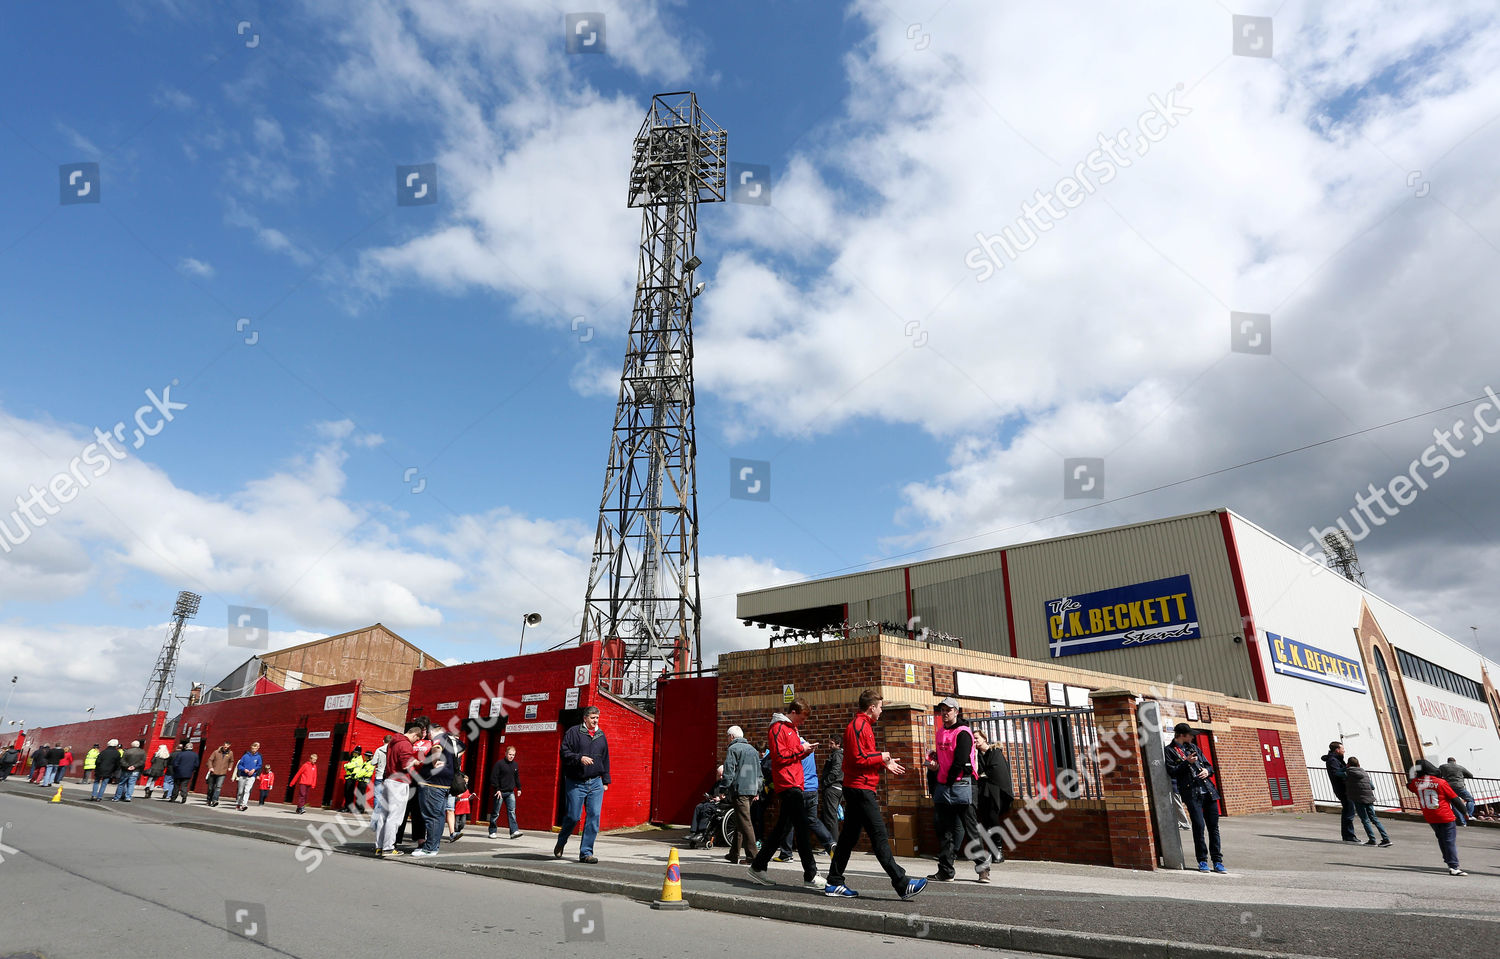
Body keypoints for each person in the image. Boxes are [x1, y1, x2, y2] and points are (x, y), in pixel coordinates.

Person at [823, 690, 926, 901]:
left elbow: (863, 760)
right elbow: (858, 759)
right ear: (871, 708)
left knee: (848, 839)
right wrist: (882, 756)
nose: (881, 711)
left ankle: (834, 882)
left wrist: (883, 763)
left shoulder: (863, 726)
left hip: (859, 787)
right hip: (860, 789)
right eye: (880, 707)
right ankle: (902, 883)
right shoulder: (858, 727)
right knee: (879, 836)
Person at [748, 699, 824, 889]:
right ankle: (810, 874)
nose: (803, 721)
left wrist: (804, 751)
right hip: (788, 783)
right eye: (802, 717)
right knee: (801, 827)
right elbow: (780, 756)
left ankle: (758, 865)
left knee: (783, 828)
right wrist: (802, 749)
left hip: (793, 782)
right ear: (794, 711)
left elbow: (788, 755)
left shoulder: (789, 729)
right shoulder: (778, 729)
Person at [926, 698, 992, 882]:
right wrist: (933, 764)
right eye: (942, 710)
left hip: (962, 784)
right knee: (944, 830)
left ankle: (983, 869)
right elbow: (942, 758)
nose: (945, 713)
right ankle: (946, 871)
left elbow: (961, 761)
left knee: (971, 830)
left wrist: (946, 781)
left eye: (948, 710)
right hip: (944, 785)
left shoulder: (964, 732)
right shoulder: (940, 733)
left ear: (956, 711)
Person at [555, 706, 610, 863]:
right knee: (573, 816)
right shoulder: (573, 732)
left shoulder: (601, 735)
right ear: (585, 718)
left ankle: (586, 853)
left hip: (596, 783)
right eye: (592, 718)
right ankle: (561, 841)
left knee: (594, 817)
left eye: (597, 718)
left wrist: (605, 780)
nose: (595, 721)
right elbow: (564, 752)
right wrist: (579, 758)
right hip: (576, 782)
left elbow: (605, 759)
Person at [1167, 723, 1225, 873]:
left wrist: (1207, 771)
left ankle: (1217, 861)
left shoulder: (1194, 748)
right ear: (1181, 735)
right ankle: (1202, 861)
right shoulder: (1170, 751)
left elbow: (1209, 766)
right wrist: (1187, 762)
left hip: (1208, 791)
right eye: (1190, 734)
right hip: (1192, 794)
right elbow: (1172, 772)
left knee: (1214, 828)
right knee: (1199, 827)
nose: (1192, 737)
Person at [776, 744, 835, 860]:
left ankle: (786, 853)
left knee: (789, 821)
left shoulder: (795, 749)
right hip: (812, 788)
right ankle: (830, 844)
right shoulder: (809, 747)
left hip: (800, 788)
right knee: (812, 820)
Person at [1408, 759, 1465, 876]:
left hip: (1430, 816)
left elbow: (1408, 785)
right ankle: (1453, 866)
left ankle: (1448, 859)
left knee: (1441, 839)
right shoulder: (1441, 782)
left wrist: (1414, 774)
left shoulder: (1416, 783)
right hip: (1445, 815)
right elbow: (1455, 799)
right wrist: (1464, 812)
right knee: (1449, 841)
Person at [376, 720, 423, 857]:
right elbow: (405, 764)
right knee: (395, 817)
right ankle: (389, 848)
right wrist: (417, 762)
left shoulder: (393, 742)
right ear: (415, 735)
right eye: (416, 740)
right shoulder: (406, 744)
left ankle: (380, 846)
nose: (414, 744)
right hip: (399, 783)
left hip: (389, 779)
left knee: (383, 816)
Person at [413, 725, 457, 857]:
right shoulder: (451, 740)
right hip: (444, 784)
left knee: (431, 816)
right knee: (438, 816)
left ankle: (429, 848)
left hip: (432, 783)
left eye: (429, 733)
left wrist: (434, 762)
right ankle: (433, 847)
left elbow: (436, 748)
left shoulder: (439, 738)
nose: (428, 736)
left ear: (433, 731)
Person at [723, 725, 761, 864]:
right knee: (741, 822)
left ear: (732, 736)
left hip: (740, 791)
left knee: (745, 823)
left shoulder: (733, 749)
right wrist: (758, 790)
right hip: (751, 790)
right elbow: (759, 772)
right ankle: (734, 854)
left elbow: (729, 772)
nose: (727, 739)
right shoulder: (752, 750)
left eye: (727, 737)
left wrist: (723, 789)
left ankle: (753, 856)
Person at [973, 728, 1013, 858]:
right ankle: (991, 850)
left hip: (997, 792)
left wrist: (984, 775)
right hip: (984, 793)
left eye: (977, 738)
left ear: (984, 738)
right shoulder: (977, 755)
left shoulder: (995, 752)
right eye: (973, 739)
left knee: (993, 818)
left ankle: (998, 850)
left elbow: (998, 772)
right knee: (984, 821)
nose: (975, 741)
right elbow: (976, 772)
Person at [1345, 758, 1390, 847]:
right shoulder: (1364, 772)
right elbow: (1372, 786)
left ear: (1348, 764)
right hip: (1369, 798)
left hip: (1358, 798)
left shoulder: (1348, 773)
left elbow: (1337, 773)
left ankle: (1372, 840)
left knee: (1365, 820)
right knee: (1374, 819)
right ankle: (1386, 839)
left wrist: (1345, 768)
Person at [1322, 741, 1358, 843]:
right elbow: (1336, 774)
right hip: (1343, 789)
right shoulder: (1333, 760)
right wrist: (1347, 771)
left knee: (1348, 810)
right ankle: (1349, 836)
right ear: (1337, 750)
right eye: (1342, 749)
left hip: (1344, 788)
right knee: (1349, 811)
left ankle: (1348, 835)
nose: (1344, 751)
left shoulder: (1336, 759)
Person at [488, 745, 523, 839]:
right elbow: (493, 778)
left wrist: (519, 788)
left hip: (510, 792)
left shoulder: (515, 765)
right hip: (500, 792)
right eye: (510, 754)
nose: (511, 756)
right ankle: (492, 831)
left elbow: (516, 777)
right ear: (506, 754)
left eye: (513, 755)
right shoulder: (499, 764)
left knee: (512, 811)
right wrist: (497, 789)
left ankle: (514, 831)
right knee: (496, 813)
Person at [1437, 757, 1476, 826]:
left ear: (1448, 761)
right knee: (1470, 799)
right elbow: (1470, 775)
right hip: (1459, 786)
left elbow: (1437, 774)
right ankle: (1469, 815)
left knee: (1455, 803)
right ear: (1455, 761)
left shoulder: (1443, 767)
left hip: (1448, 787)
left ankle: (1462, 822)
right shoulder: (1460, 767)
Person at [819, 738, 843, 843]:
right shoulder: (840, 754)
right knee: (828, 816)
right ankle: (830, 843)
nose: (829, 746)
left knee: (831, 818)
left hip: (833, 788)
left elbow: (835, 771)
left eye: (831, 743)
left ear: (838, 744)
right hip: (837, 788)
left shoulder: (837, 755)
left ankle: (833, 844)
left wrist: (825, 783)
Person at [234, 742, 263, 811]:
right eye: (253, 748)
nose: (254, 750)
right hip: (243, 776)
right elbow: (239, 765)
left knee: (247, 790)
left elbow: (259, 765)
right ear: (251, 748)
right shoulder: (245, 756)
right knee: (240, 791)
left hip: (251, 776)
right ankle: (238, 803)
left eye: (255, 748)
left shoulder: (258, 757)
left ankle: (244, 804)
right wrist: (244, 770)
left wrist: (254, 769)